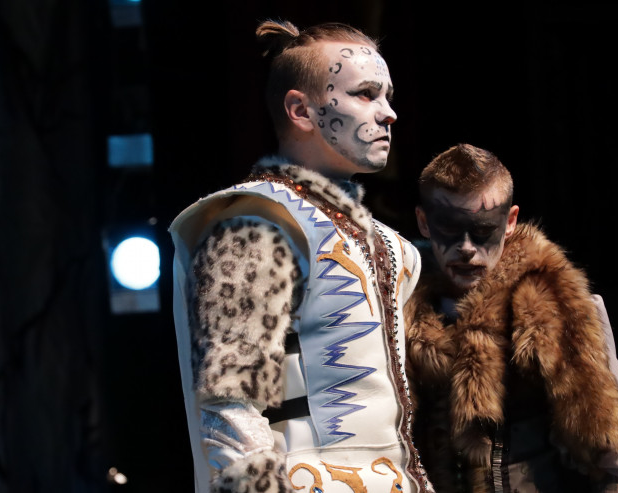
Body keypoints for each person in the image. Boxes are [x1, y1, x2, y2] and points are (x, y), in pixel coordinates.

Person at [168, 19, 432, 493]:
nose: (389, 113)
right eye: (366, 94)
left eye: (388, 96)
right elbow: (229, 411)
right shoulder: (255, 224)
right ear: (301, 110)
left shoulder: (395, 249)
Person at [404, 143, 618, 492]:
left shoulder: (557, 304)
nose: (466, 248)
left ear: (510, 221)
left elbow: (612, 460)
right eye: (449, 228)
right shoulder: (396, 302)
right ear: (424, 222)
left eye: (483, 230)